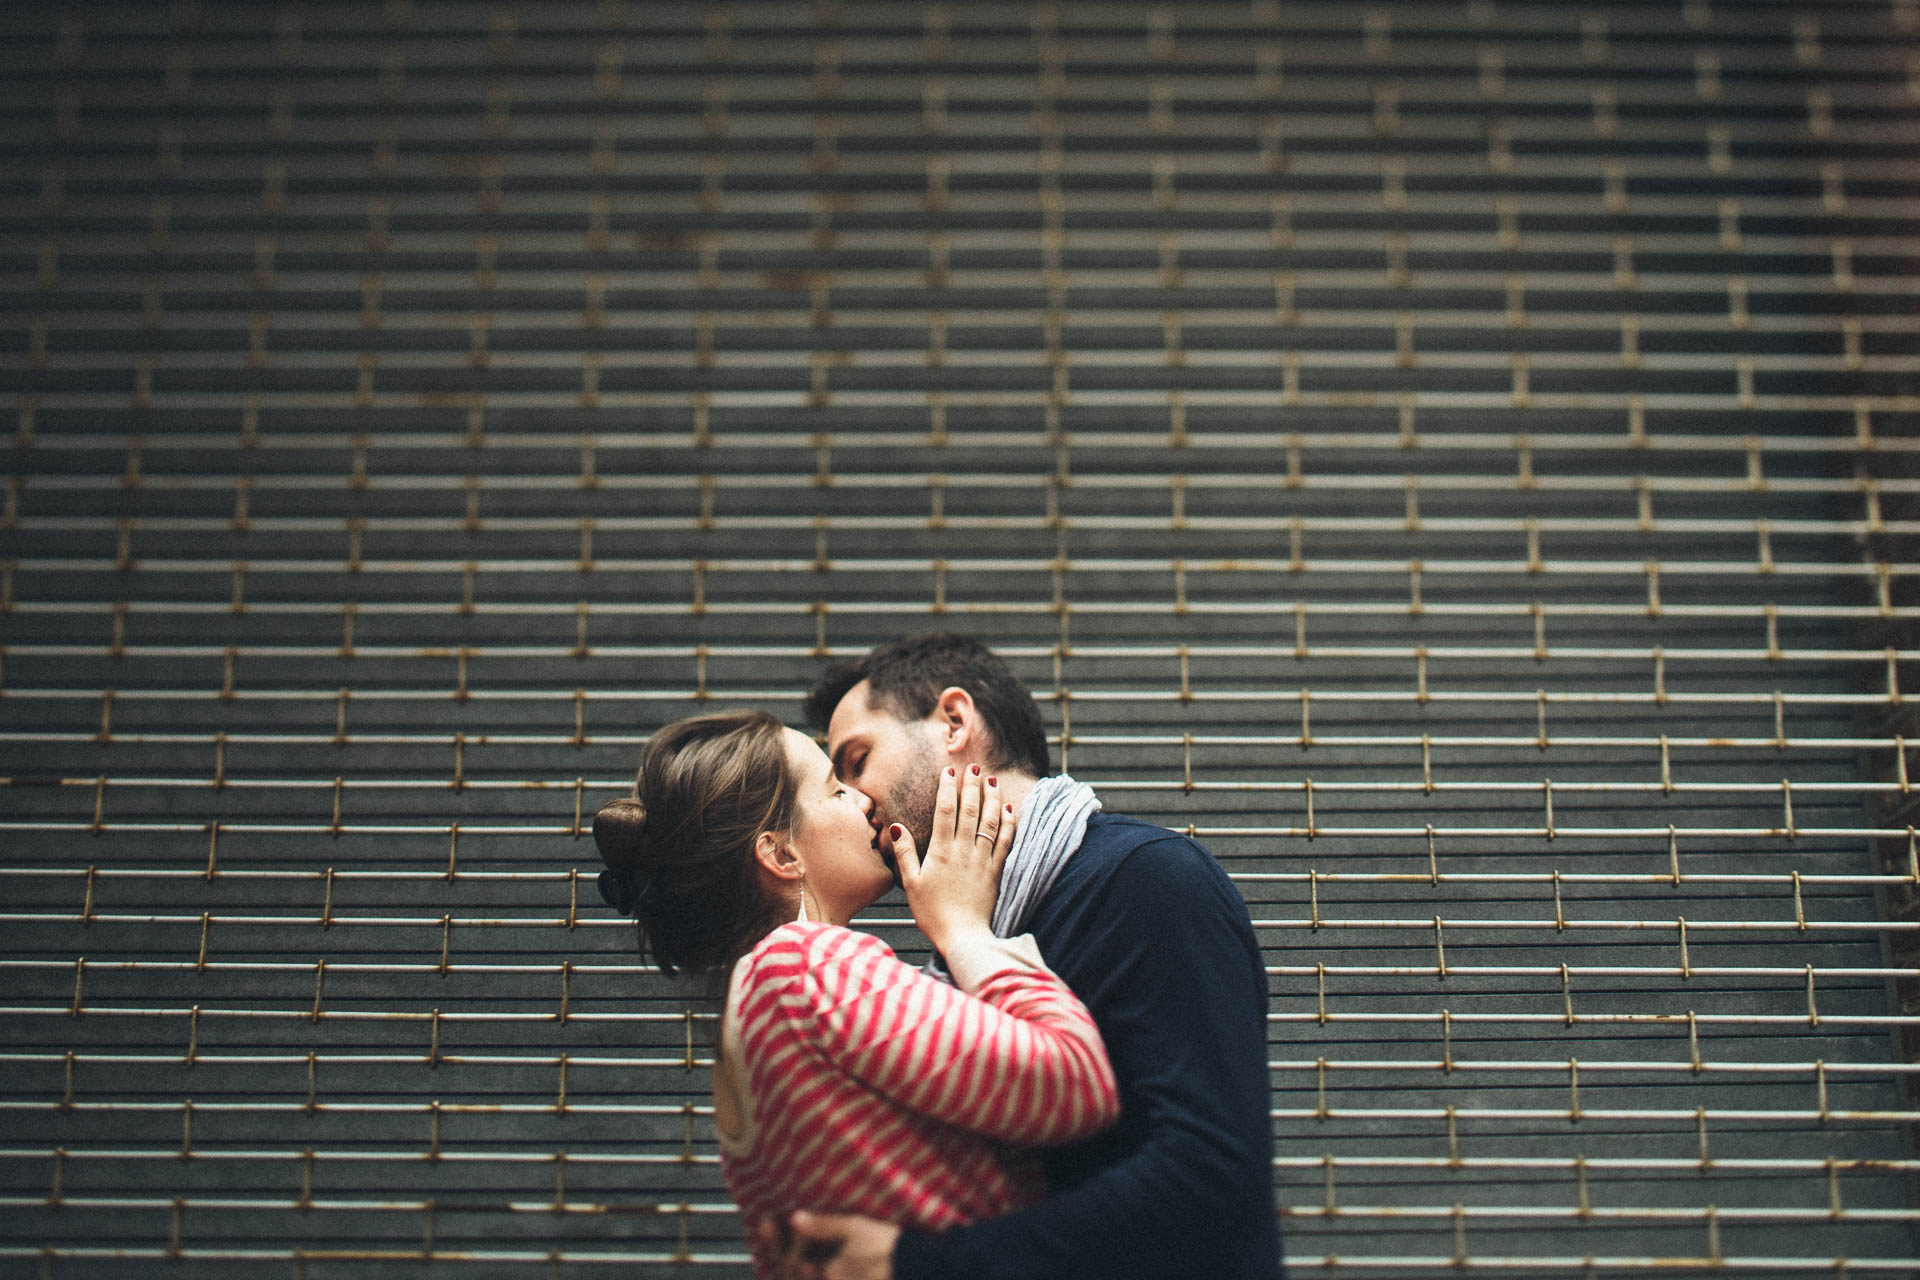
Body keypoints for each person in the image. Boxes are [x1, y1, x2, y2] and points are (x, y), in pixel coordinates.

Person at [780, 634, 1282, 1280]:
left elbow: (1210, 1181)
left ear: (955, 722)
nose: (854, 798)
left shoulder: (1143, 881)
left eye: (857, 759)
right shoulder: (964, 931)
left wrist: (918, 1264)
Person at [588, 709, 1121, 1278]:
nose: (865, 800)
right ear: (782, 854)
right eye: (834, 788)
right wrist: (964, 928)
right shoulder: (801, 967)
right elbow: (1075, 1084)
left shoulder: (747, 1017)